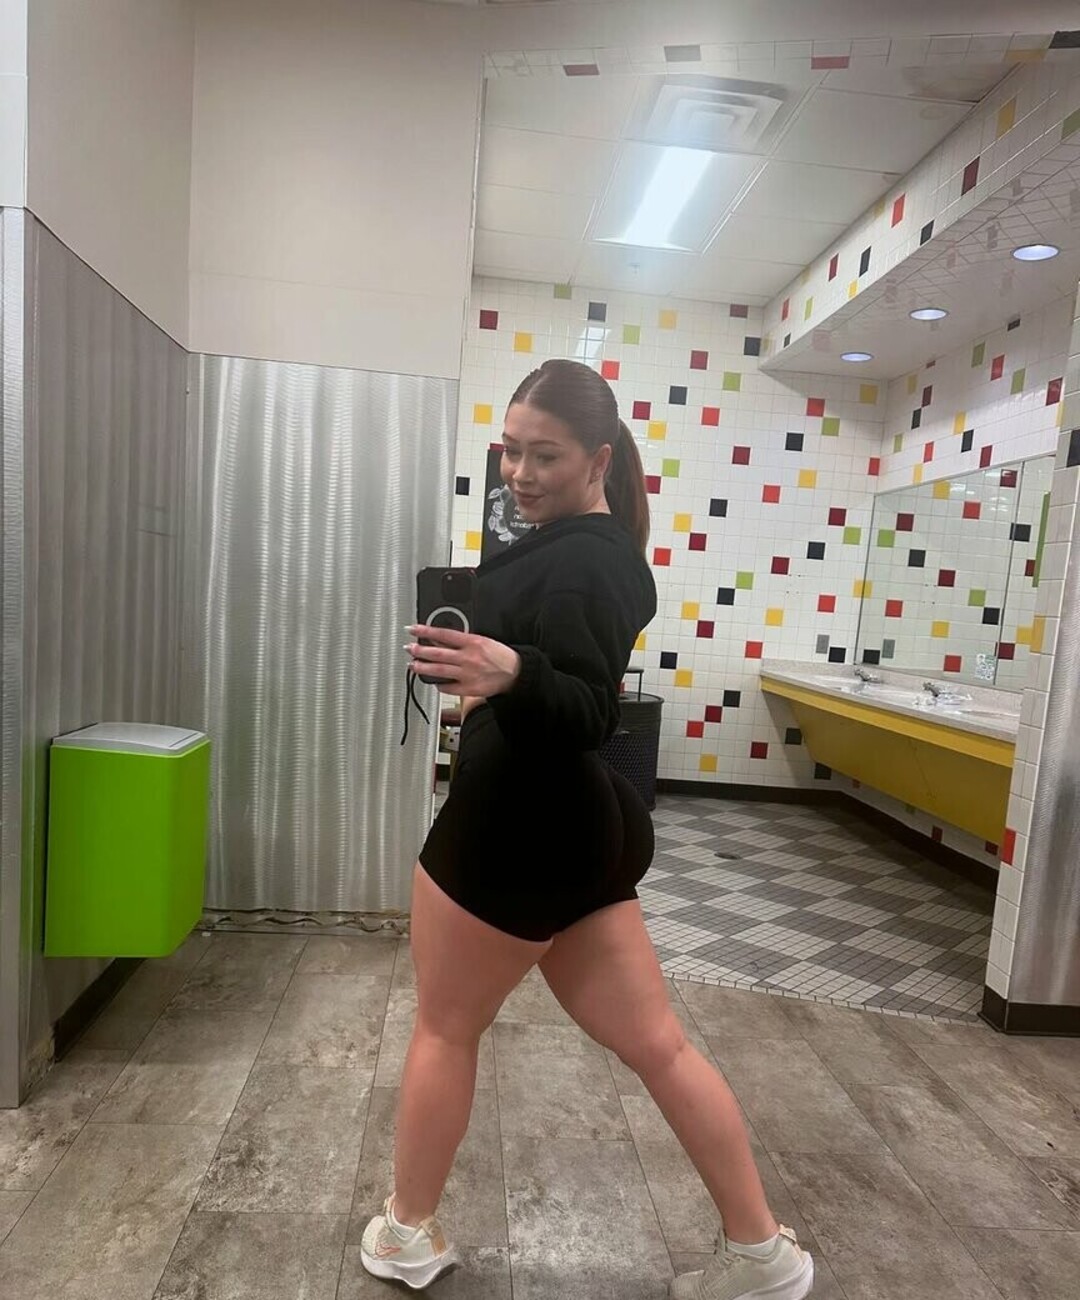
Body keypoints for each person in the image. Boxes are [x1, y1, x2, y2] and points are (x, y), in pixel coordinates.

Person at [361, 359, 814, 1300]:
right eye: (510, 451)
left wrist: (513, 675)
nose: (520, 474)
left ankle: (404, 1236)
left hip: (516, 831)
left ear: (599, 459)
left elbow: (588, 711)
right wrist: (492, 680)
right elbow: (552, 675)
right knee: (659, 1047)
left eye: (546, 456)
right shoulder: (566, 542)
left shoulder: (590, 561)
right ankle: (763, 1254)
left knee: (444, 1029)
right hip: (570, 834)